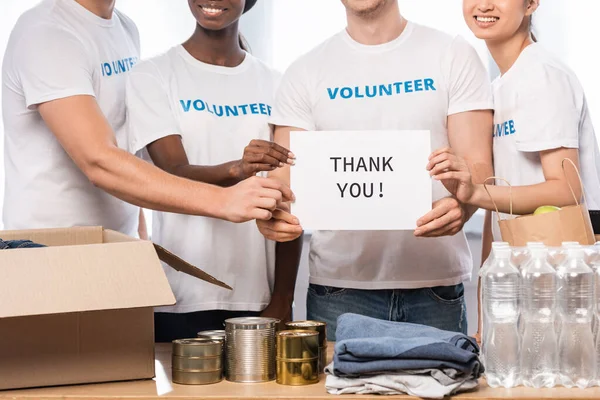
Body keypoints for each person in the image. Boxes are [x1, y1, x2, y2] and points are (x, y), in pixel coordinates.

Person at [259, 0, 495, 340]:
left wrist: (464, 205)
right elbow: (286, 178)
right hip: (338, 290)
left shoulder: (453, 54)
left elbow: (479, 165)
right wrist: (273, 210)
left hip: (435, 287)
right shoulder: (304, 72)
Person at [2, 0, 292, 237]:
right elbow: (99, 160)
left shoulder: (124, 28)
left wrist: (141, 240)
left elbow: (127, 152)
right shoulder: (46, 33)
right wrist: (224, 199)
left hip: (113, 244)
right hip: (47, 246)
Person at [125, 0, 303, 341]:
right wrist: (238, 169)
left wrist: (283, 300)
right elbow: (170, 173)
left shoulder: (278, 83)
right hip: (179, 295)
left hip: (258, 296)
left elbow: (291, 196)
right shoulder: (153, 74)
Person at [428, 0, 600, 340]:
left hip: (561, 286)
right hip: (528, 285)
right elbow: (500, 207)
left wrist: (477, 193)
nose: (484, 5)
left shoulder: (542, 75)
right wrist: (484, 315)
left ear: (532, 3)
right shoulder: (500, 86)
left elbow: (567, 189)